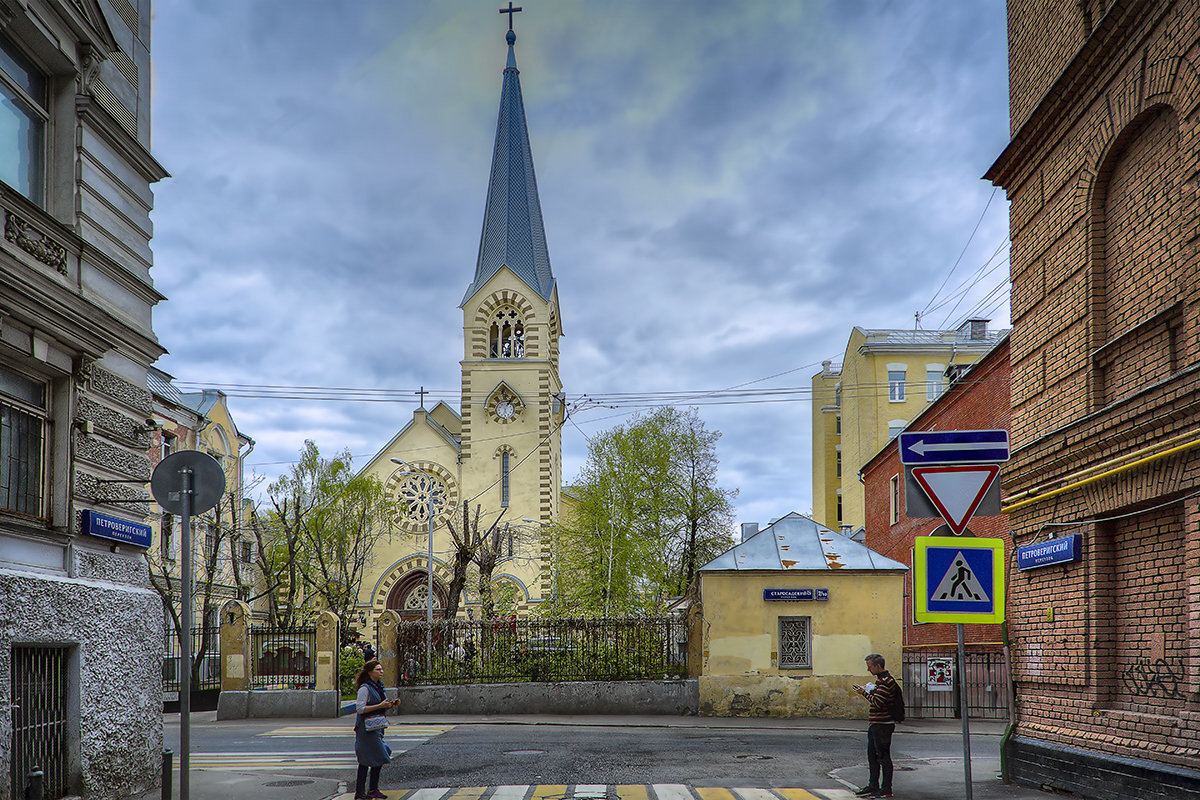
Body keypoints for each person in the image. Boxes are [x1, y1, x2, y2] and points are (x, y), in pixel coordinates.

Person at [852, 653, 899, 798]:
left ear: (878, 666)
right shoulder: (880, 681)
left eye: (870, 667)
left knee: (883, 757)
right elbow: (878, 697)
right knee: (872, 756)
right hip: (876, 724)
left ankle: (886, 789)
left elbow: (878, 702)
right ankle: (873, 785)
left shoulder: (886, 681)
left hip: (882, 724)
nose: (868, 670)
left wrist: (863, 693)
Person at [353, 660, 399, 800]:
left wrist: (390, 705)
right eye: (378, 669)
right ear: (370, 672)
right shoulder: (365, 688)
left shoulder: (379, 687)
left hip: (376, 727)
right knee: (368, 759)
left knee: (377, 757)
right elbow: (360, 708)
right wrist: (380, 705)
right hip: (365, 729)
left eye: (381, 669)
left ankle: (372, 789)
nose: (382, 671)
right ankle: (360, 793)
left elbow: (380, 706)